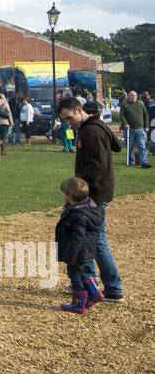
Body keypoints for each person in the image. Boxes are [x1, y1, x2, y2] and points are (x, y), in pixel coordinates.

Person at [57, 96, 124, 302]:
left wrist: (78, 190)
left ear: (78, 110)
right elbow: (117, 146)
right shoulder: (96, 126)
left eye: (69, 118)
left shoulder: (92, 131)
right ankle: (88, 283)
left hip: (93, 193)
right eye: (65, 120)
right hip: (95, 191)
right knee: (90, 240)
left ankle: (113, 288)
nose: (69, 123)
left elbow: (97, 165)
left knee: (96, 241)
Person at [56, 176, 105, 315]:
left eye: (63, 192)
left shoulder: (78, 215)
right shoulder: (88, 207)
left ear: (70, 195)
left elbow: (77, 238)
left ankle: (78, 304)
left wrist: (70, 256)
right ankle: (94, 292)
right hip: (86, 249)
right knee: (83, 270)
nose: (61, 194)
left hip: (78, 251)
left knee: (74, 274)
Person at [120, 91, 151, 168]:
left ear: (137, 96)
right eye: (131, 95)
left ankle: (143, 162)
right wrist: (125, 124)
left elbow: (145, 114)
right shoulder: (124, 105)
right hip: (129, 130)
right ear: (128, 96)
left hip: (140, 129)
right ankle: (131, 162)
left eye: (134, 95)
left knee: (142, 146)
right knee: (130, 147)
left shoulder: (140, 103)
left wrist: (146, 125)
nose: (133, 97)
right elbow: (122, 115)